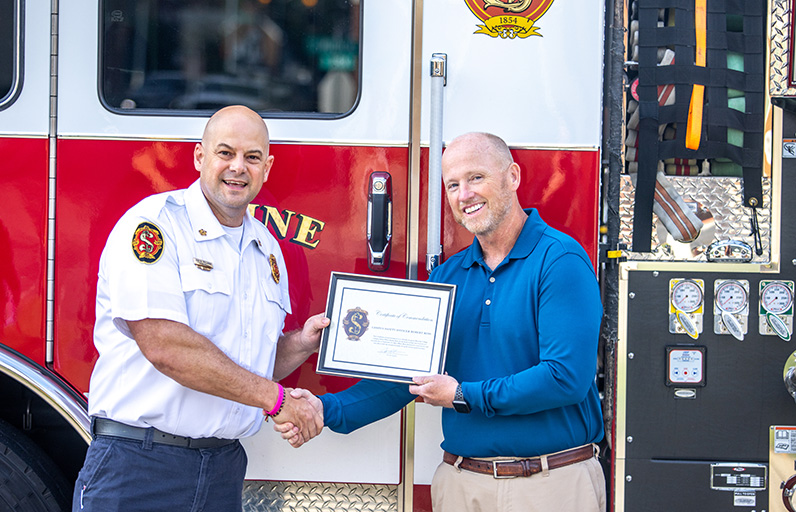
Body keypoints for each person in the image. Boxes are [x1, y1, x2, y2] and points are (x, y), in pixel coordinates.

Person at [278, 132, 606, 512]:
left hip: (549, 485)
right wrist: (324, 409)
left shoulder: (559, 260)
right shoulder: (448, 278)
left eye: (476, 178)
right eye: (453, 184)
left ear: (512, 177)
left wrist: (464, 396)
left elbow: (565, 378)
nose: (464, 194)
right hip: (461, 486)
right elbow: (406, 379)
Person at [72, 105, 327, 512]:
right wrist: (278, 402)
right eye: (225, 153)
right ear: (199, 157)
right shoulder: (154, 227)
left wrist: (301, 344)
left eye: (252, 157)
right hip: (140, 467)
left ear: (268, 166)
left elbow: (246, 366)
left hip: (222, 470)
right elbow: (166, 346)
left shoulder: (266, 250)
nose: (237, 168)